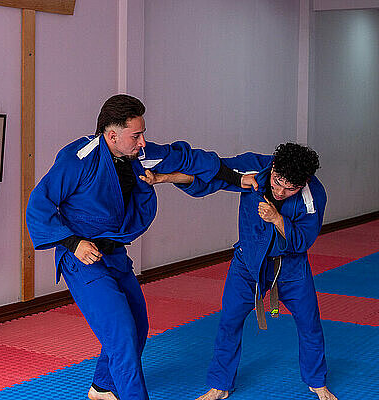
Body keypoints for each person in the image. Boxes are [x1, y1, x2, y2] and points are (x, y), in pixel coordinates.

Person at [26, 94, 251, 400]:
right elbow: (39, 204)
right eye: (136, 135)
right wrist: (72, 242)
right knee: (121, 336)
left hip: (115, 254)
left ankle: (102, 387)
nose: (143, 141)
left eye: (143, 133)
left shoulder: (139, 154)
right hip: (82, 258)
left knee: (138, 326)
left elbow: (188, 159)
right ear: (112, 135)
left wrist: (235, 178)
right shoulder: (77, 159)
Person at [140, 143, 337, 400]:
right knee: (229, 321)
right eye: (277, 182)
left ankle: (317, 381)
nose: (280, 191)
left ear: (304, 182)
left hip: (291, 268)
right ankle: (220, 385)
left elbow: (301, 241)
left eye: (290, 189)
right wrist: (163, 178)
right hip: (247, 262)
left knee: (309, 324)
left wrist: (277, 218)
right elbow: (212, 172)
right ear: (274, 167)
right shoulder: (258, 168)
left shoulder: (314, 194)